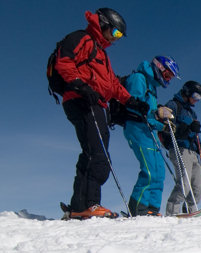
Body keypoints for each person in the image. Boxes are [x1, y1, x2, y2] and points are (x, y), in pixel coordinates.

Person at [55, 8, 148, 219]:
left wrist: (131, 101)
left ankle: (78, 206)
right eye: (115, 33)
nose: (116, 39)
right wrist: (80, 86)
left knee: (93, 152)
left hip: (97, 104)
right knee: (98, 154)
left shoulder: (101, 53)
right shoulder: (83, 39)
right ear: (104, 24)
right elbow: (64, 61)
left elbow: (112, 84)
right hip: (82, 101)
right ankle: (88, 205)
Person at [122, 56, 181, 216]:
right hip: (137, 129)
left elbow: (149, 116)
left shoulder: (152, 87)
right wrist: (157, 114)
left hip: (148, 131)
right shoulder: (138, 79)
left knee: (159, 171)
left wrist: (162, 125)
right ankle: (137, 209)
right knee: (149, 170)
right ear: (159, 68)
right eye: (168, 75)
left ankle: (151, 209)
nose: (167, 80)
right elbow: (135, 107)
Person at [163, 81, 201, 216]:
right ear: (187, 91)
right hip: (179, 149)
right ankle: (172, 212)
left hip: (193, 152)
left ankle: (191, 213)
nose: (197, 100)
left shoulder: (192, 113)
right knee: (184, 183)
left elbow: (194, 136)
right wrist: (188, 128)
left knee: (198, 188)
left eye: (199, 97)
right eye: (196, 96)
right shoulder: (173, 105)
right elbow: (168, 129)